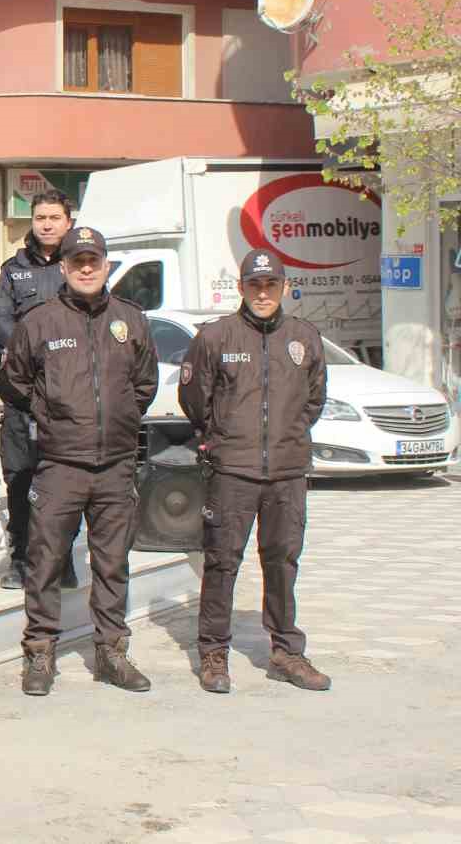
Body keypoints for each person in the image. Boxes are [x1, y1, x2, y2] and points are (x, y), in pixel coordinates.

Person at [0, 226, 159, 697]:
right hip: (60, 464)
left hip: (115, 465)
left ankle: (111, 652)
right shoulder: (40, 321)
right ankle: (40, 651)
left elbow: (145, 384)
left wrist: (120, 416)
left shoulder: (131, 319)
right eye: (77, 262)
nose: (86, 269)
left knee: (112, 563)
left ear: (106, 265)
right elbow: (14, 382)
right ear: (63, 268)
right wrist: (51, 413)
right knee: (44, 560)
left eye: (94, 261)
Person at [179, 249, 331, 695]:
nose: (262, 293)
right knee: (221, 563)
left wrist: (288, 436)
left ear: (284, 287)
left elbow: (314, 400)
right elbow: (195, 399)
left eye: (270, 285)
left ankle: (286, 653)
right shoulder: (215, 337)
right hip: (233, 472)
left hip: (287, 471)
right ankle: (213, 653)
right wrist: (223, 437)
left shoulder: (304, 337)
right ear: (241, 288)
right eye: (254, 285)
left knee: (283, 562)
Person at [0, 188, 74, 592]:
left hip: (68, 395)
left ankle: (63, 558)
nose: (46, 225)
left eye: (54, 218)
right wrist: (30, 352)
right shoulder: (13, 270)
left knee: (66, 482)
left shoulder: (79, 265)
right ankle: (21, 558)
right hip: (23, 394)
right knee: (20, 478)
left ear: (68, 222)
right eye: (40, 218)